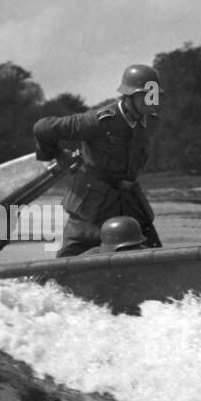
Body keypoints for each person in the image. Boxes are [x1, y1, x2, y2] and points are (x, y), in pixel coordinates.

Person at [33, 63, 163, 258]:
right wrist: (58, 156)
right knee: (67, 263)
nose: (151, 99)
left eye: (154, 94)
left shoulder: (150, 121)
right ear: (128, 95)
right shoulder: (99, 121)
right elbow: (43, 129)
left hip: (130, 201)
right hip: (92, 204)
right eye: (145, 94)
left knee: (155, 255)